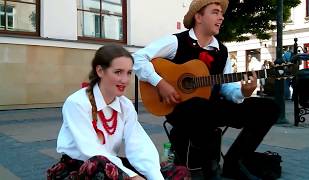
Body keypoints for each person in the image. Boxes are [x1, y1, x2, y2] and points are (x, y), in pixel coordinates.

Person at [133, 0, 280, 179]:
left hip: (212, 108)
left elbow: (226, 88)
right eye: (215, 12)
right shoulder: (176, 41)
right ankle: (209, 167)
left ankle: (234, 162)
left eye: (221, 13)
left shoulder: (222, 51)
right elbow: (137, 58)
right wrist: (160, 83)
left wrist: (244, 92)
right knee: (198, 105)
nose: (221, 17)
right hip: (178, 107)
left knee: (269, 108)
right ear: (199, 17)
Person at [47, 44, 164, 180]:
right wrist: (132, 176)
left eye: (129, 73)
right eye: (118, 72)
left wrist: (155, 176)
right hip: (79, 168)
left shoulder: (125, 106)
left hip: (110, 164)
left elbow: (139, 144)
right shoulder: (77, 103)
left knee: (173, 170)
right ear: (100, 71)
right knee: (99, 165)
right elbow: (90, 151)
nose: (125, 80)